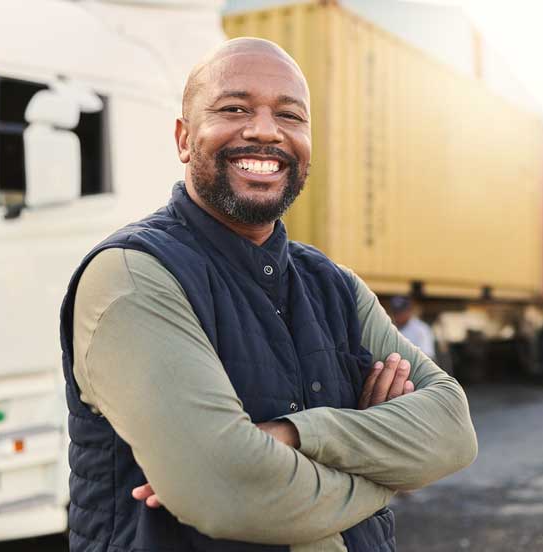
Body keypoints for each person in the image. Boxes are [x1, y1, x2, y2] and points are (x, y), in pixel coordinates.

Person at [58, 38, 477, 552]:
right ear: (184, 139)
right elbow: (224, 488)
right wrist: (387, 471)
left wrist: (293, 437)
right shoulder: (134, 274)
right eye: (234, 108)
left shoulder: (334, 285)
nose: (264, 130)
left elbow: (453, 430)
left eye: (290, 115)